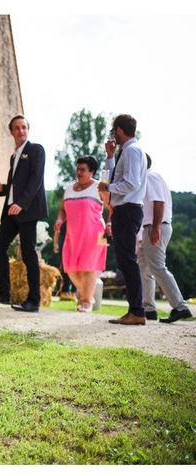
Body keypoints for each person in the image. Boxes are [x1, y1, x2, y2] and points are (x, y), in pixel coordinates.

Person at [0, 115, 47, 312]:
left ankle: (34, 301)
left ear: (28, 129)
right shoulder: (14, 156)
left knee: (29, 254)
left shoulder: (36, 150)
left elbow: (36, 179)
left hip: (27, 210)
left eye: (24, 127)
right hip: (12, 210)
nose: (21, 131)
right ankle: (4, 293)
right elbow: (16, 184)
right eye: (17, 128)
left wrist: (22, 203)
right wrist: (3, 188)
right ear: (11, 132)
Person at [98, 114, 147, 325]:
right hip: (122, 210)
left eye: (113, 131)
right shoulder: (125, 151)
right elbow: (111, 178)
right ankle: (134, 310)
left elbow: (131, 184)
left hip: (128, 209)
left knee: (128, 261)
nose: (113, 136)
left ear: (118, 130)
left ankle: (137, 311)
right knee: (125, 261)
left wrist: (108, 188)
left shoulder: (133, 151)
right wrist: (110, 155)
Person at [138, 154, 193, 323]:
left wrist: (155, 227)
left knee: (157, 267)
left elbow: (159, 203)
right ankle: (149, 308)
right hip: (150, 226)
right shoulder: (146, 178)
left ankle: (180, 307)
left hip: (156, 226)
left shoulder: (151, 176)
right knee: (144, 266)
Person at [53, 156, 110, 312]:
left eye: (83, 169)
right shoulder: (69, 188)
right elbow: (63, 209)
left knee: (89, 268)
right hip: (72, 235)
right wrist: (59, 220)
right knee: (70, 268)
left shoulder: (100, 186)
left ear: (91, 171)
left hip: (95, 233)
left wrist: (110, 223)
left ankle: (86, 301)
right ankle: (86, 296)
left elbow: (113, 207)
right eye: (77, 169)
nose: (79, 172)